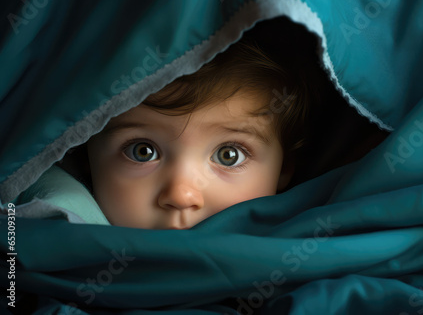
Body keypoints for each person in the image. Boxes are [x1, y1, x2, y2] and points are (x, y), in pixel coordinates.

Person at [11, 18, 333, 229]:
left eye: (229, 155)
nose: (182, 195)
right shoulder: (30, 237)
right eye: (142, 151)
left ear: (284, 169)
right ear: (85, 158)